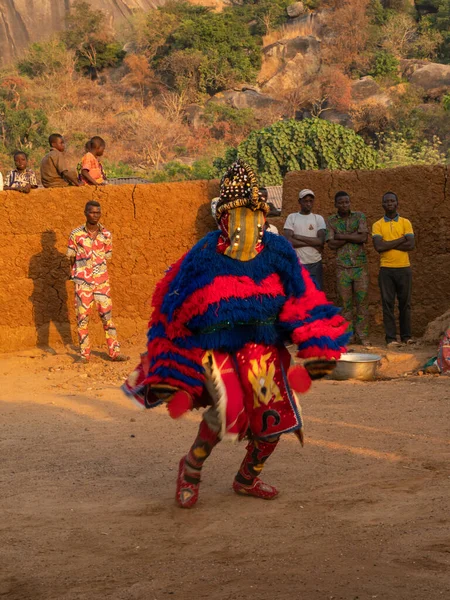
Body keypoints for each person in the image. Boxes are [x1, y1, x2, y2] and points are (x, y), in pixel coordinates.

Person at [123, 160, 349, 509]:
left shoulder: (277, 250)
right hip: (218, 350)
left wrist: (316, 341)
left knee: (275, 418)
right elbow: (173, 305)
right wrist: (171, 359)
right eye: (237, 214)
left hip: (263, 349)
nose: (246, 222)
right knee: (227, 412)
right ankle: (191, 470)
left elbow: (301, 295)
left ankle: (247, 478)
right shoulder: (203, 252)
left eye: (252, 213)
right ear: (222, 219)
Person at [66, 201, 128, 363]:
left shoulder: (106, 234)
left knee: (107, 318)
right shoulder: (76, 235)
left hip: (102, 283)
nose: (95, 215)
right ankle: (84, 355)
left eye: (98, 213)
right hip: (82, 283)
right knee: (82, 319)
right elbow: (71, 258)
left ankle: (114, 353)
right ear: (85, 213)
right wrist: (76, 276)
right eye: (92, 212)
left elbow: (107, 257)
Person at [372, 192, 415, 347]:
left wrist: (388, 243)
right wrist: (401, 239)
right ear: (382, 205)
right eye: (386, 201)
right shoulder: (377, 225)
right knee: (387, 304)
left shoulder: (405, 222)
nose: (389, 203)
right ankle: (391, 339)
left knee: (405, 304)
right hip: (386, 270)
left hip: (404, 268)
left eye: (392, 201)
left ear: (397, 203)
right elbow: (379, 247)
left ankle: (406, 337)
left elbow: (411, 245)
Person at [327, 191, 370, 346]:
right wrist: (352, 236)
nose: (344, 205)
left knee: (362, 303)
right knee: (345, 305)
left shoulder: (359, 217)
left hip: (360, 268)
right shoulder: (331, 220)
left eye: (347, 202)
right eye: (341, 202)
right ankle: (349, 337)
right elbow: (331, 244)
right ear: (336, 204)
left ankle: (363, 336)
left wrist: (341, 236)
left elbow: (363, 238)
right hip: (342, 269)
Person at [283, 189, 326, 290]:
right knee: (299, 292)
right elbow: (289, 241)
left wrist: (297, 236)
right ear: (299, 202)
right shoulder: (292, 217)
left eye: (311, 201)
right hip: (298, 262)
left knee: (316, 292)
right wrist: (313, 243)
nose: (308, 204)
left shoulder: (318, 218)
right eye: (305, 201)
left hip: (315, 262)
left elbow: (320, 241)